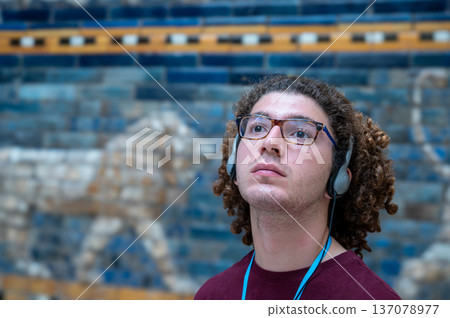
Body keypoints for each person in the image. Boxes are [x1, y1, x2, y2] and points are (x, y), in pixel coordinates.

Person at [194, 75, 401, 300]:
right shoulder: (211, 297)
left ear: (337, 177)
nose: (270, 143)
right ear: (234, 165)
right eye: (257, 128)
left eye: (301, 133)